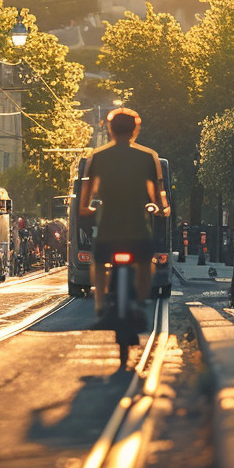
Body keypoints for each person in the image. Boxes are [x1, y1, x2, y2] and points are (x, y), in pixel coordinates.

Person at [78, 107, 170, 319]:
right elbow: (157, 194)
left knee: (99, 263)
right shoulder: (148, 157)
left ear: (110, 129)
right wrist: (161, 209)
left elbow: (86, 196)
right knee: (147, 262)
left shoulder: (98, 157)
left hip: (107, 230)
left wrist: (87, 209)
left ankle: (100, 303)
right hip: (137, 230)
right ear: (135, 130)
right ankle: (140, 300)